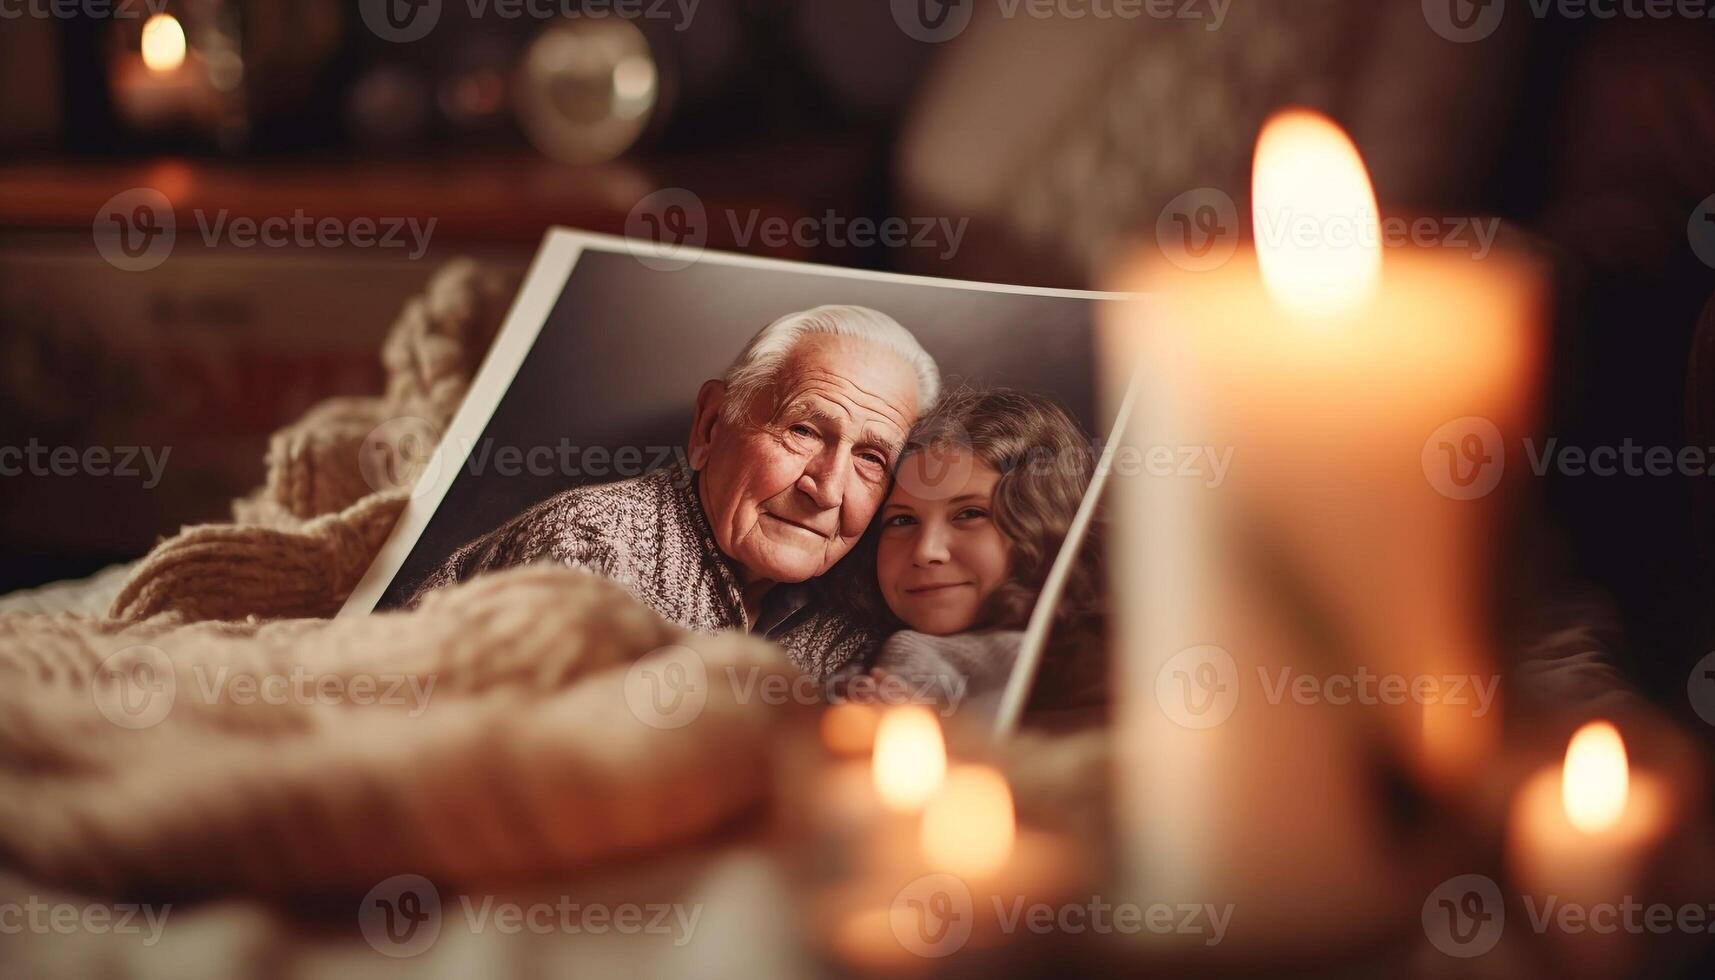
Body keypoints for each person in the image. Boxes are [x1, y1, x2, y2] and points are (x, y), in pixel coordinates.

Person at [410, 305, 941, 678]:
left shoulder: (858, 610)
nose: (826, 491)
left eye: (871, 458)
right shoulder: (592, 547)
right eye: (802, 430)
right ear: (711, 427)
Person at [837, 387, 1106, 712]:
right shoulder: (850, 660)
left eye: (970, 514)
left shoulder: (1100, 668)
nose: (926, 551)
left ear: (1044, 522)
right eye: (902, 520)